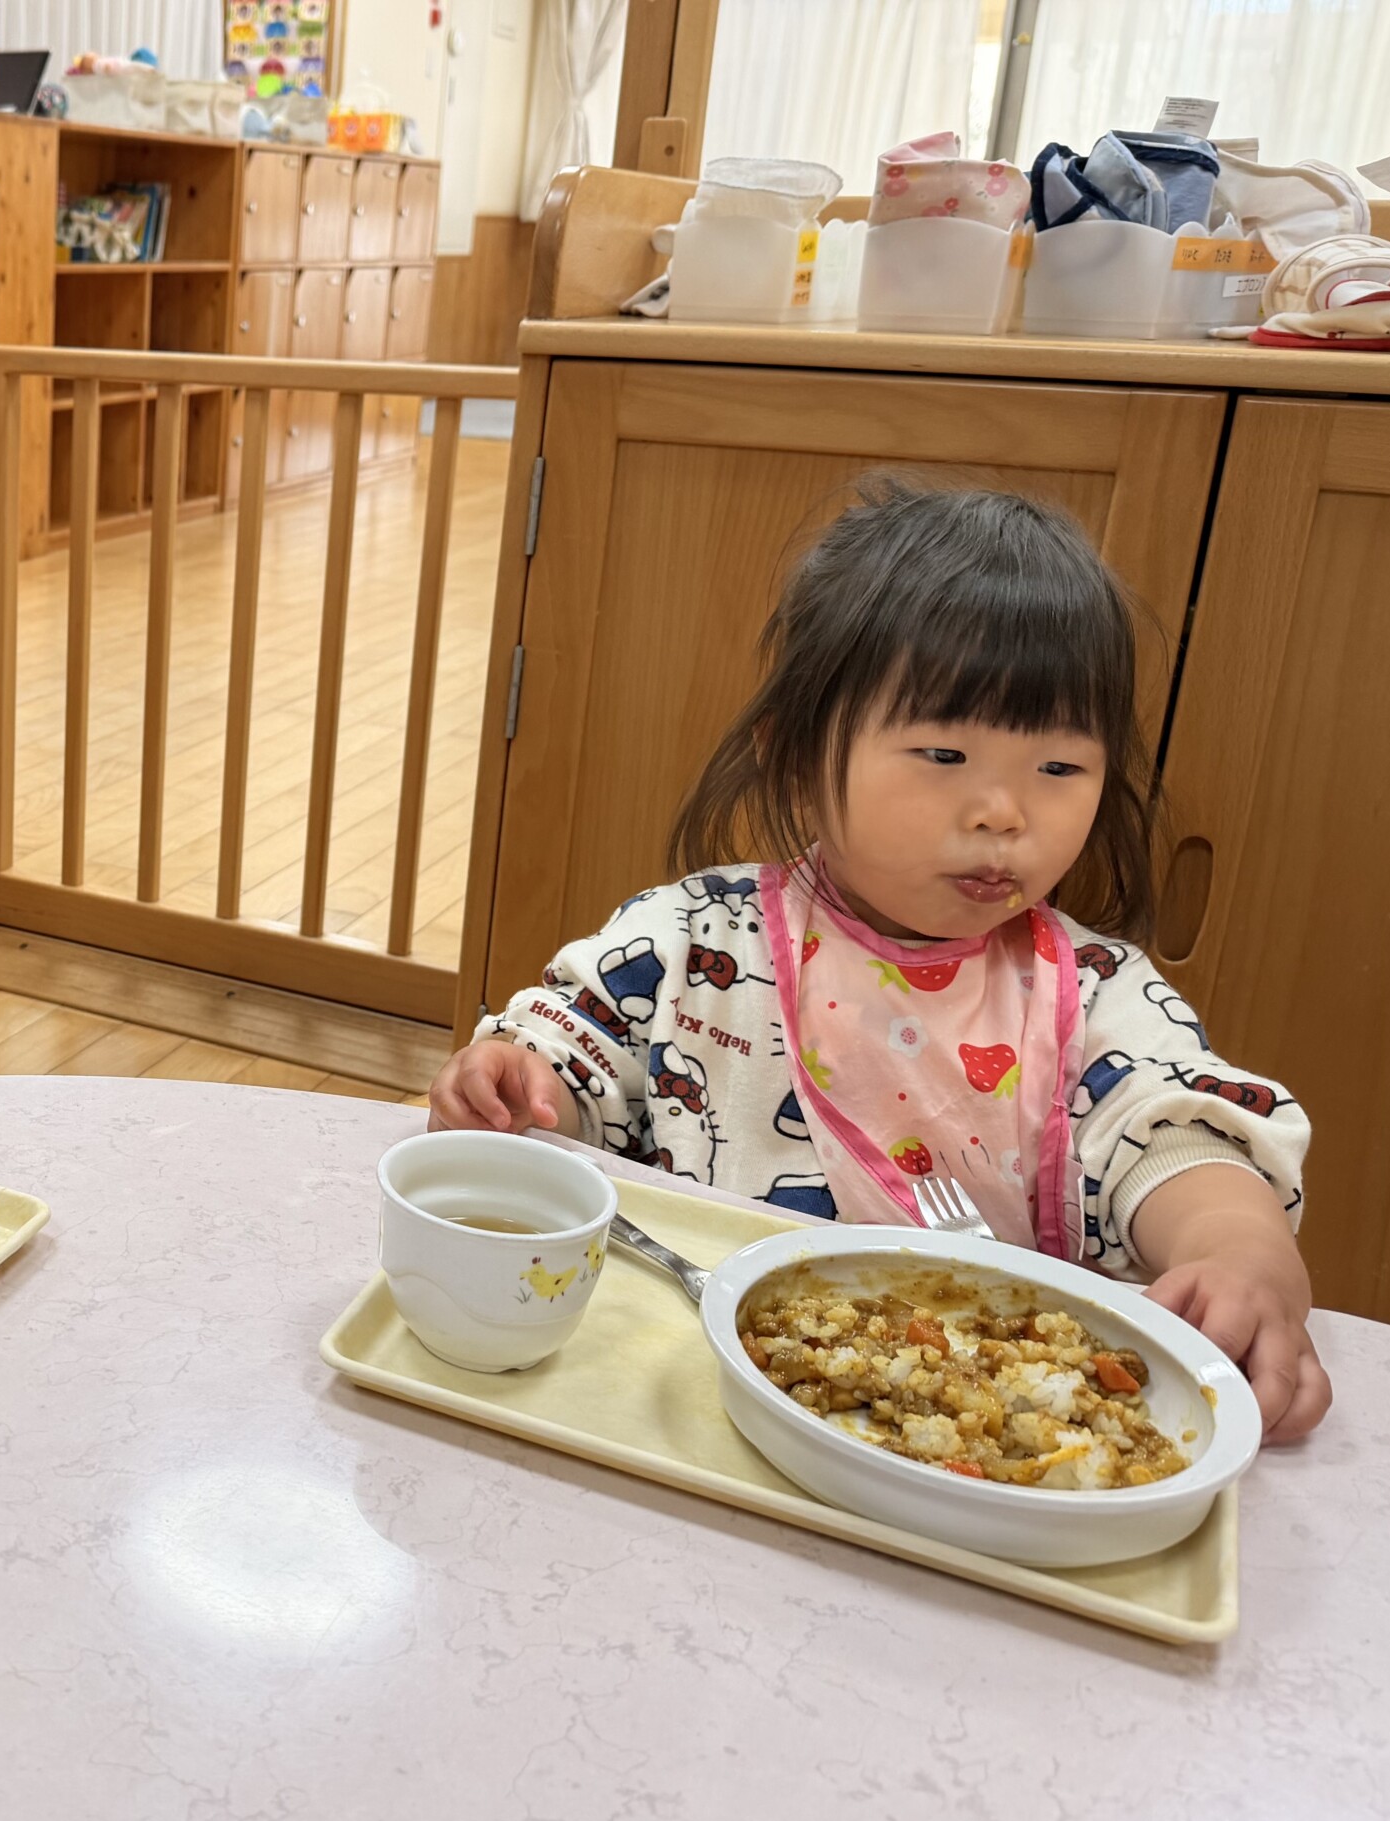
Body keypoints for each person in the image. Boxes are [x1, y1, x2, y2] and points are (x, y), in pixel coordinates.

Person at [426, 483, 1329, 1439]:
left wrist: (1239, 1249)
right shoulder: (696, 940)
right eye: (943, 755)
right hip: (678, 1389)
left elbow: (1172, 1136)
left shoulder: (1096, 994)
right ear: (797, 759)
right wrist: (517, 1087)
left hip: (978, 1437)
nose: (1003, 813)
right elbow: (574, 1061)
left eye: (1060, 769)